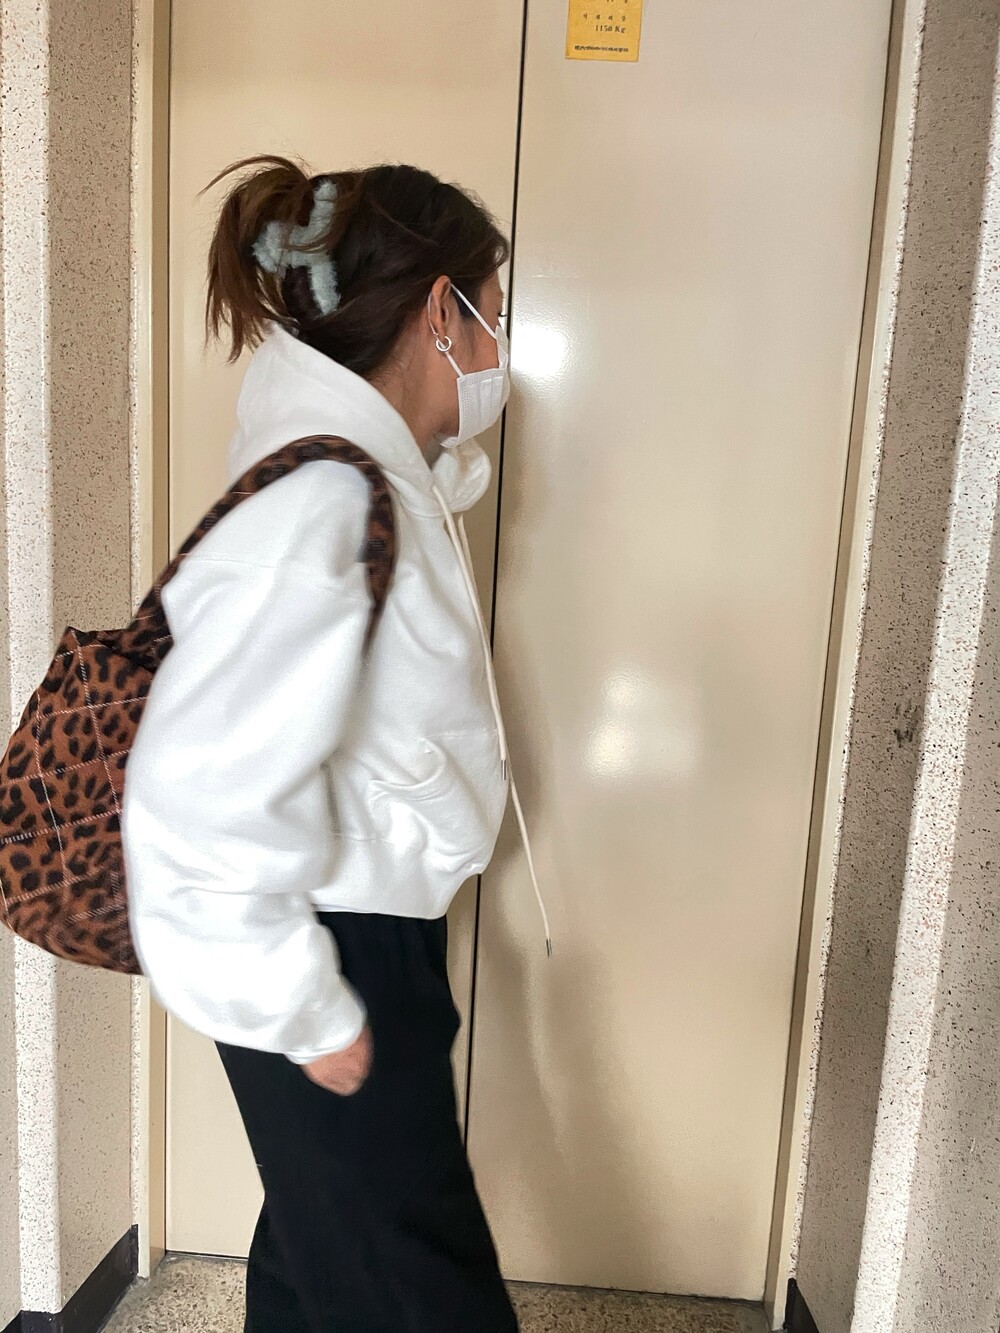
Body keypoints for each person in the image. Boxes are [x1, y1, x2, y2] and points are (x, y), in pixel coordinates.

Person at [121, 155, 540, 1332]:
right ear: (439, 313)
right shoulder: (325, 502)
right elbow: (193, 789)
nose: (498, 346)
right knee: (415, 1292)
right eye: (490, 314)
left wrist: (424, 452)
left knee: (321, 1258)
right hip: (328, 946)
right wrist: (305, 1007)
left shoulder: (357, 479)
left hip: (354, 928)